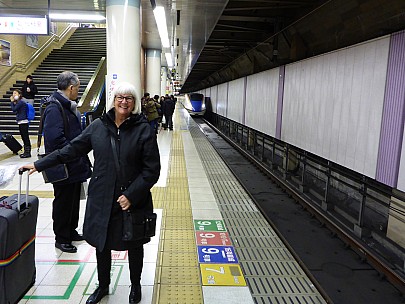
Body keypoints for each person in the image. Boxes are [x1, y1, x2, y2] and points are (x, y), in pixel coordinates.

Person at [21, 82, 161, 304]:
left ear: (134, 103)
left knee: (134, 244)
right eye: (119, 97)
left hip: (132, 200)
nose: (123, 101)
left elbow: (152, 170)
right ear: (113, 100)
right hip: (102, 198)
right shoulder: (98, 127)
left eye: (129, 98)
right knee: (101, 243)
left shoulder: (143, 129)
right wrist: (40, 165)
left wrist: (132, 195)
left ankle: (135, 285)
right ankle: (103, 285)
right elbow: (70, 150)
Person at [41, 71, 92, 253]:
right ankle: (61, 238)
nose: (78, 91)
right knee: (63, 202)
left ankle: (71, 231)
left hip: (74, 164)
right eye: (78, 88)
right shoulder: (55, 108)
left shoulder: (67, 106)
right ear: (71, 88)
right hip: (64, 165)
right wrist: (75, 150)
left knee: (73, 200)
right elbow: (55, 140)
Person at [10, 89, 31, 158]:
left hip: (23, 121)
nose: (13, 95)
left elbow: (14, 109)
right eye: (13, 93)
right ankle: (26, 151)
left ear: (19, 94)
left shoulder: (21, 102)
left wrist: (12, 102)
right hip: (21, 121)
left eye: (15, 93)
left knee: (25, 137)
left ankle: (27, 152)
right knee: (23, 137)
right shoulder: (19, 102)